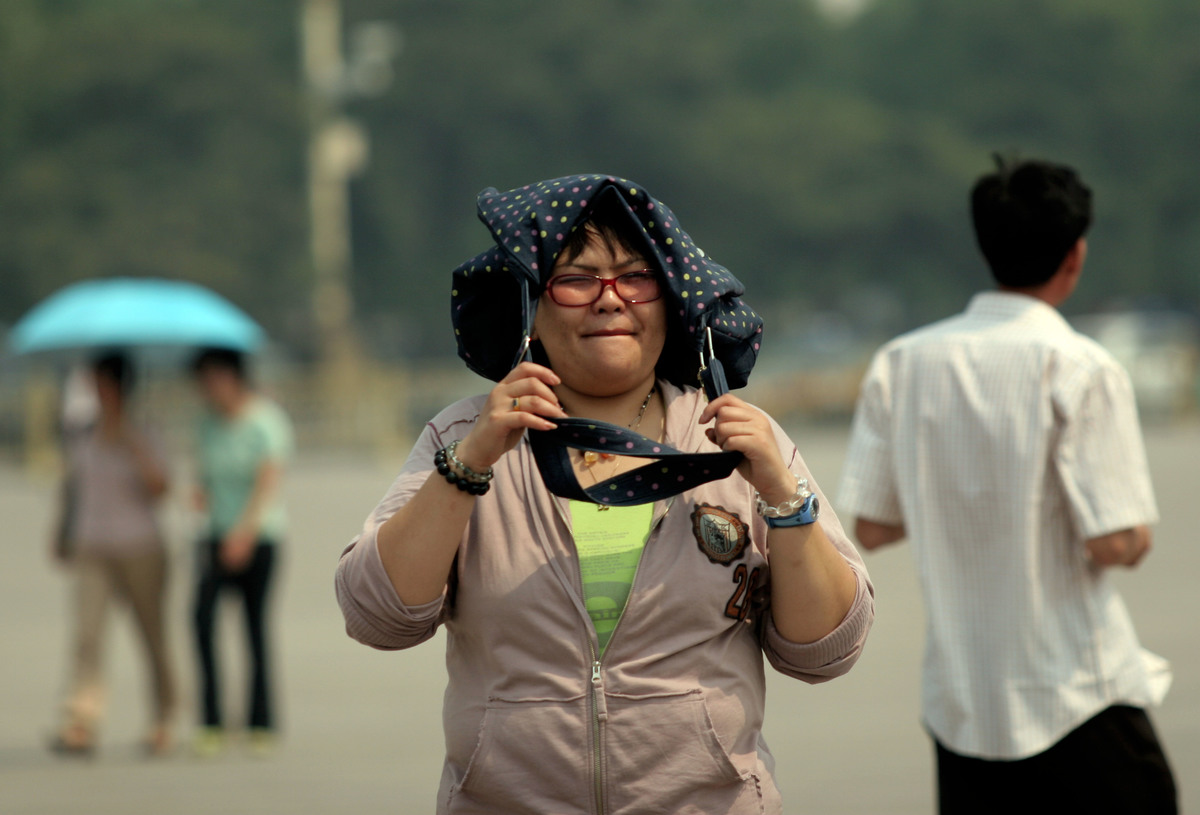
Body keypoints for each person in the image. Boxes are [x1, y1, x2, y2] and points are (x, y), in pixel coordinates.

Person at [336, 174, 874, 814]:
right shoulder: (465, 436)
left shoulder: (734, 441)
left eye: (634, 276)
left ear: (670, 299)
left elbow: (826, 648)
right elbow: (377, 616)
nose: (609, 299)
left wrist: (784, 500)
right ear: (531, 303)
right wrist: (471, 463)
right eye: (576, 279)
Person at [838, 156, 1177, 814]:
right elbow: (1115, 540)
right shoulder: (1079, 364)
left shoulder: (902, 361)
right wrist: (1133, 538)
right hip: (1075, 693)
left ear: (985, 242)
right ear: (1074, 255)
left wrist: (957, 495)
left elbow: (873, 528)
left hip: (963, 709)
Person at [50, 350, 175, 756]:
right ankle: (81, 721)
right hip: (92, 547)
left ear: (117, 386)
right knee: (86, 636)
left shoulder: (145, 431)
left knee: (151, 636)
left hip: (140, 547)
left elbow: (161, 489)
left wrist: (133, 446)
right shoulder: (82, 435)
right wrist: (61, 533)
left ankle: (163, 718)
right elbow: (72, 488)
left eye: (102, 383)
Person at [189, 347, 293, 756]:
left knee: (254, 628)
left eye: (213, 378)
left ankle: (260, 721)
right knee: (200, 621)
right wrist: (200, 495)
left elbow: (268, 481)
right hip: (214, 536)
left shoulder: (265, 421)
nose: (208, 389)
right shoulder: (207, 424)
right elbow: (205, 473)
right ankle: (211, 719)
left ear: (233, 377)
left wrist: (244, 533)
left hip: (259, 537)